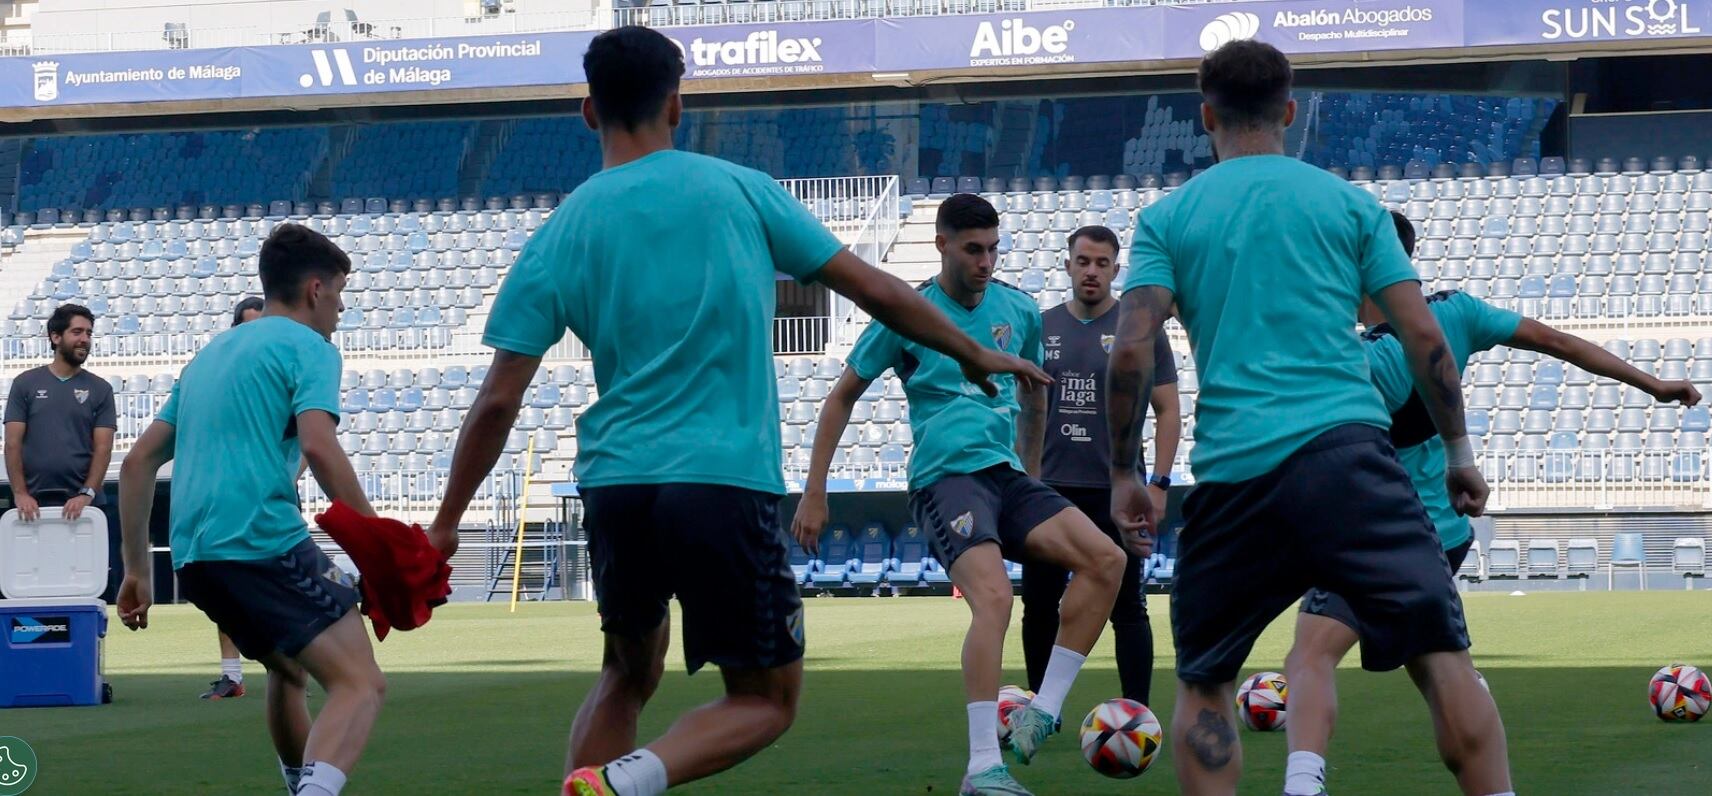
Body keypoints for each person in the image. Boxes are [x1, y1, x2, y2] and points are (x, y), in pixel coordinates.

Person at [419, 27, 1047, 796]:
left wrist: (448, 521)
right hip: (720, 478)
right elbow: (877, 289)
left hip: (614, 484)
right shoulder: (738, 188)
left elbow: (497, 401)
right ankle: (629, 780)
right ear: (677, 106)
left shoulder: (561, 230)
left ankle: (591, 783)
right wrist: (974, 351)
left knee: (626, 671)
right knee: (767, 698)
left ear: (588, 112)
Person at [1102, 40, 1512, 796]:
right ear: (1290, 111)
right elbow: (1423, 338)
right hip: (1350, 459)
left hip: (1233, 475)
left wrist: (1126, 474)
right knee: (1440, 655)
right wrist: (1458, 452)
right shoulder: (1350, 203)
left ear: (1206, 117)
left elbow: (1130, 352)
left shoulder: (1167, 218)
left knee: (1205, 680)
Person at [1278, 211, 1701, 795]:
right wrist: (1652, 384)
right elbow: (1554, 342)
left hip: (1374, 533)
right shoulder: (1457, 312)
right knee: (1443, 672)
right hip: (1443, 539)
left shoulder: (1366, 358)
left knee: (1312, 655)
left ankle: (1303, 783)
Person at [794, 194, 1127, 796]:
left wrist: (1031, 476)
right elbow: (841, 395)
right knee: (995, 599)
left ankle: (1042, 710)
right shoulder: (907, 313)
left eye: (994, 248)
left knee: (1109, 560)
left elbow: (1033, 394)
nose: (987, 261)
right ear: (942, 244)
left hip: (1007, 477)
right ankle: (981, 768)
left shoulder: (1018, 312)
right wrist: (814, 491)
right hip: (945, 478)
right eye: (974, 249)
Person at [116, 223, 383, 796]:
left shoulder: (210, 355)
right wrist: (376, 535)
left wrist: (137, 571)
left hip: (194, 558)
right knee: (360, 683)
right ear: (316, 289)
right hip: (261, 540)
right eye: (339, 293)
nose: (340, 308)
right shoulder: (311, 348)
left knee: (287, 670)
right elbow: (318, 444)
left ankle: (297, 783)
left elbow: (137, 464)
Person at [1020, 224, 1179, 708]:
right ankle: (1042, 709)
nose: (1091, 271)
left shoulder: (1138, 333)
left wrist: (1159, 484)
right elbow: (1020, 410)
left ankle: (1136, 712)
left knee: (1128, 605)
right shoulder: (1039, 327)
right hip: (1049, 491)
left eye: (1102, 263)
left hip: (1120, 491)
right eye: (1083, 261)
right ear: (1067, 265)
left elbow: (1168, 409)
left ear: (1115, 268)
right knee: (1040, 606)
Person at [4, 303, 118, 595]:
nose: (85, 339)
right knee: (32, 590)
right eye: (77, 332)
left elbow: (103, 448)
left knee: (86, 590)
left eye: (89, 333)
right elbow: (13, 443)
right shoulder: (25, 384)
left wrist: (86, 494)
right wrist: (19, 493)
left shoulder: (100, 389)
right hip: (33, 506)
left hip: (85, 507)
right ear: (55, 337)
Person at [200, 295, 270, 701]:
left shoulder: (283, 376)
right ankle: (232, 675)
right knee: (224, 586)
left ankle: (288, 669)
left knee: (278, 587)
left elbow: (302, 446)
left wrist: (274, 483)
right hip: (228, 498)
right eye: (246, 328)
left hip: (272, 498)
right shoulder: (219, 379)